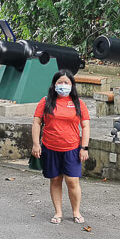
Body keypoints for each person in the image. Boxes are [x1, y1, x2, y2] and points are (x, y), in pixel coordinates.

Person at [31, 70, 90, 224]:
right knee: (55, 180)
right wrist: (36, 144)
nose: (63, 85)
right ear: (54, 84)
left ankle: (76, 212)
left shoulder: (78, 103)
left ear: (72, 85)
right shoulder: (45, 102)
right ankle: (58, 212)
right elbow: (37, 122)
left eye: (66, 83)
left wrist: (84, 147)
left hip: (72, 148)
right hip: (50, 147)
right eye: (60, 82)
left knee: (72, 181)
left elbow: (85, 125)